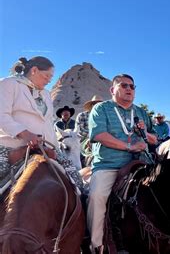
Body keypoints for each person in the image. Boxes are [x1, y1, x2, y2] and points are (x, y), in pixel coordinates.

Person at [87, 73, 158, 251]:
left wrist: (144, 133)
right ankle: (97, 245)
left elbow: (155, 139)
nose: (129, 89)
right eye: (124, 86)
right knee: (97, 196)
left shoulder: (140, 112)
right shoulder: (101, 109)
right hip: (109, 164)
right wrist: (130, 147)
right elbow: (99, 135)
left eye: (132, 87)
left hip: (141, 164)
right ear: (113, 89)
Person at [0, 57, 82, 193]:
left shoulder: (46, 94)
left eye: (51, 77)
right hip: (10, 145)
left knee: (76, 180)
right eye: (47, 75)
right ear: (34, 70)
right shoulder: (8, 84)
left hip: (46, 146)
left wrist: (56, 149)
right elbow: (2, 115)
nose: (50, 80)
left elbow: (48, 123)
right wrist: (25, 134)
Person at [75, 95, 104, 167]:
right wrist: (94, 136)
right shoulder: (82, 115)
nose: (97, 105)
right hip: (83, 142)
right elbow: (80, 131)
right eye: (95, 103)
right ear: (92, 105)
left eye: (99, 104)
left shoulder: (104, 117)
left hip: (101, 142)